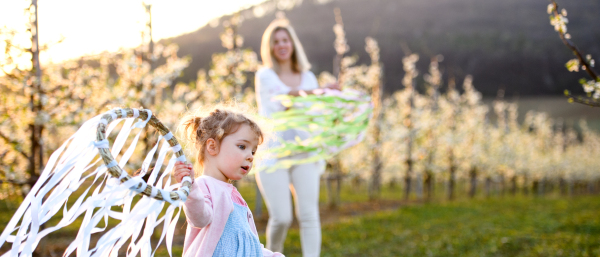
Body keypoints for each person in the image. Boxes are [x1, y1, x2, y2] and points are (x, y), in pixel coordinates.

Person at [254, 18, 340, 256]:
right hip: (274, 156)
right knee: (281, 217)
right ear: (269, 47)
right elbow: (284, 99)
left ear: (292, 44)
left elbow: (314, 112)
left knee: (309, 215)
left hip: (304, 153)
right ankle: (272, 254)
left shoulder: (308, 77)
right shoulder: (265, 76)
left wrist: (333, 109)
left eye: (285, 40)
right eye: (276, 41)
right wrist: (321, 91)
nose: (281, 45)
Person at [172, 106, 284, 257]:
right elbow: (200, 218)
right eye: (242, 146)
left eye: (253, 151)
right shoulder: (204, 185)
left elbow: (247, 244)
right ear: (212, 146)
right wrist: (190, 188)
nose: (250, 156)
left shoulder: (234, 196)